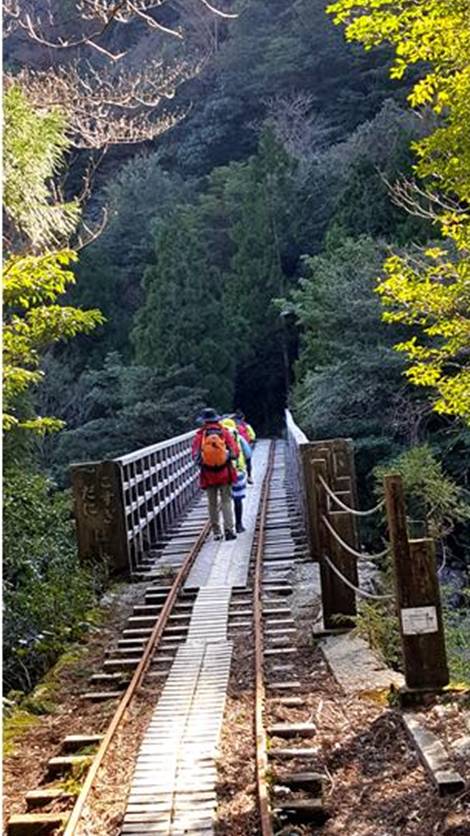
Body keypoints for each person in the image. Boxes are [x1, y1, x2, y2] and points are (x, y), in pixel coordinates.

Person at [192, 408, 239, 541]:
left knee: (212, 503)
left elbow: (195, 457)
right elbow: (235, 453)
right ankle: (229, 530)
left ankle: (216, 532)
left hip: (208, 475)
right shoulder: (224, 433)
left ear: (204, 421)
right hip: (225, 473)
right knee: (226, 501)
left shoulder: (200, 435)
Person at [221, 417, 251, 533]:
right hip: (238, 471)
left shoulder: (219, 436)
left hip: (223, 471)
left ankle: (227, 527)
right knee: (237, 499)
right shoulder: (238, 437)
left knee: (225, 500)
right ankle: (239, 525)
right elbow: (248, 454)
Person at [234, 410, 256, 484]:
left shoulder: (233, 426)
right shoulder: (246, 425)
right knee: (248, 461)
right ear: (243, 418)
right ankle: (249, 477)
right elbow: (253, 436)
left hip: (236, 445)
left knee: (237, 462)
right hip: (245, 445)